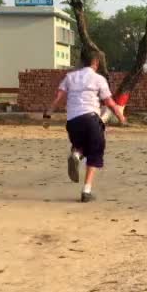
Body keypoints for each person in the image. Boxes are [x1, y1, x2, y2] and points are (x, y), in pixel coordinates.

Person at [44, 51, 126, 203]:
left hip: (72, 122)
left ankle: (76, 154)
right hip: (91, 119)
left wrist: (48, 114)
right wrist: (121, 118)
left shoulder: (70, 77)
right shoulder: (99, 79)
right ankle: (86, 191)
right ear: (96, 62)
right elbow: (109, 103)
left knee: (80, 144)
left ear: (82, 61)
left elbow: (58, 98)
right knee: (95, 151)